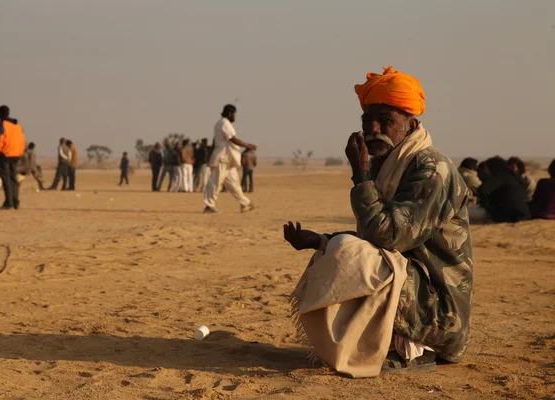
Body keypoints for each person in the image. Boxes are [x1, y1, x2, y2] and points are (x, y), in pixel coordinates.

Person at [284, 66, 472, 377]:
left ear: (410, 125)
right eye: (367, 120)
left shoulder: (431, 169)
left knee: (351, 253)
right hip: (413, 288)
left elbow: (389, 239)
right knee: (338, 250)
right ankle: (380, 345)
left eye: (385, 120)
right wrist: (319, 240)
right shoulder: (389, 164)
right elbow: (375, 239)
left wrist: (360, 177)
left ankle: (414, 352)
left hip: (440, 312)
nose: (373, 128)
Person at [203, 104, 257, 213]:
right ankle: (209, 206)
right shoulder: (224, 123)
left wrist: (210, 155)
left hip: (229, 160)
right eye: (234, 114)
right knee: (215, 182)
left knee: (234, 184)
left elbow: (215, 141)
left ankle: (245, 204)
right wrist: (247, 145)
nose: (235, 117)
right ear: (229, 113)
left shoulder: (219, 124)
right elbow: (232, 138)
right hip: (223, 158)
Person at [472, 156, 531, 223]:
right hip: (524, 216)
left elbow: (482, 190)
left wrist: (488, 204)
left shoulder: (499, 176)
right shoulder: (514, 176)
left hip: (508, 217)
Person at [0, 105, 26, 210]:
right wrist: (19, 153)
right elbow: (22, 140)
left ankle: (9, 203)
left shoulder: (1, 125)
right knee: (13, 178)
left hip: (4, 154)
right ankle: (16, 202)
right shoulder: (17, 125)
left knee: (6, 179)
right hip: (15, 154)